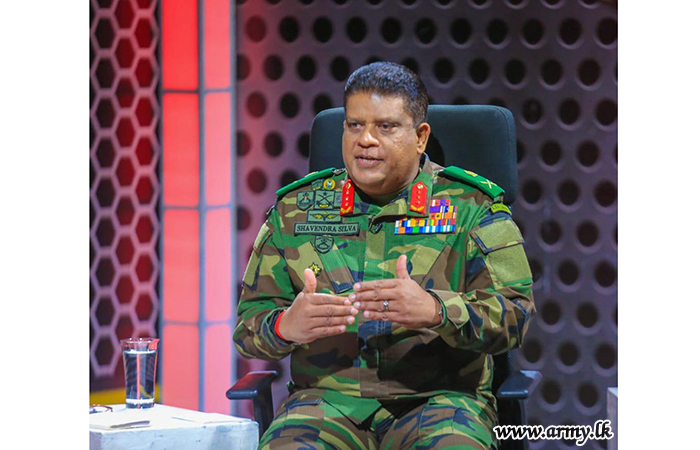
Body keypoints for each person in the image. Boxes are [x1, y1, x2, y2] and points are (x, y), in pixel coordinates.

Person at [234, 61, 535, 450]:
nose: (366, 140)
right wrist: (285, 327)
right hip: (324, 405)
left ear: (420, 137)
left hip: (440, 403)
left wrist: (437, 311)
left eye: (386, 127)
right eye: (354, 125)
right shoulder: (296, 211)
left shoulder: (472, 208)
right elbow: (247, 332)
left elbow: (515, 316)